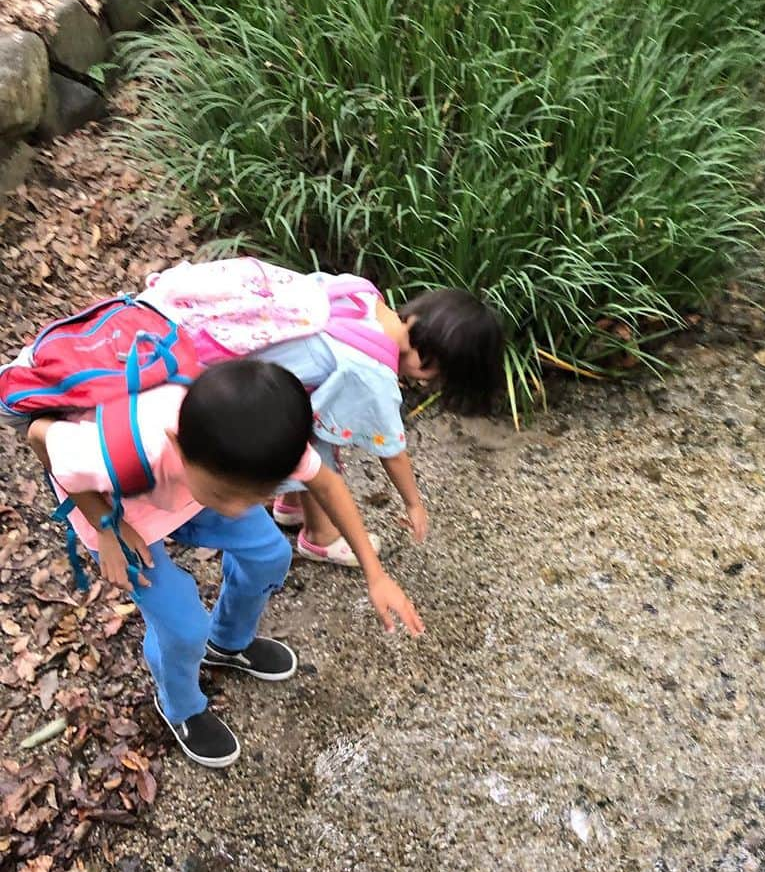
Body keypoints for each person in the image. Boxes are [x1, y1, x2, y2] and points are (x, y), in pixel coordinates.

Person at [27, 360, 424, 768]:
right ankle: (180, 706)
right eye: (233, 494)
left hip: (194, 492)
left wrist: (375, 574)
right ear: (178, 445)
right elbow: (38, 435)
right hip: (122, 513)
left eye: (257, 495)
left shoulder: (263, 443)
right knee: (182, 627)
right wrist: (106, 527)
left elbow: (325, 482)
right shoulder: (121, 449)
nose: (238, 510)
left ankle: (228, 642)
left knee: (270, 554)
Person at [140, 260, 505, 566]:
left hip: (222, 354)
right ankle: (320, 536)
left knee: (312, 421)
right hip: (225, 393)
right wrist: (414, 503)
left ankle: (290, 503)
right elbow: (391, 449)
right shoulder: (371, 370)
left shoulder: (360, 294)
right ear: (434, 368)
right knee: (321, 444)